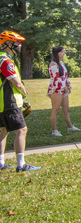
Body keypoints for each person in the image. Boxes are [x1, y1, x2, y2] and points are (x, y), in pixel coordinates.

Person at [0, 31, 40, 172]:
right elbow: (16, 82)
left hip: (2, 102)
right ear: (8, 44)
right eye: (16, 43)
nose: (19, 45)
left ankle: (0, 163)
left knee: (3, 131)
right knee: (22, 130)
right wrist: (24, 92)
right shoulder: (6, 61)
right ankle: (21, 164)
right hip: (9, 101)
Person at [47, 46, 81, 137]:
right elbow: (56, 78)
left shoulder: (61, 63)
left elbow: (65, 76)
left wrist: (68, 85)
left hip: (64, 89)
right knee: (56, 109)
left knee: (66, 109)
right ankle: (54, 130)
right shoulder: (53, 64)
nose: (63, 53)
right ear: (57, 53)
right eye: (62, 52)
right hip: (56, 89)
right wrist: (64, 86)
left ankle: (70, 127)